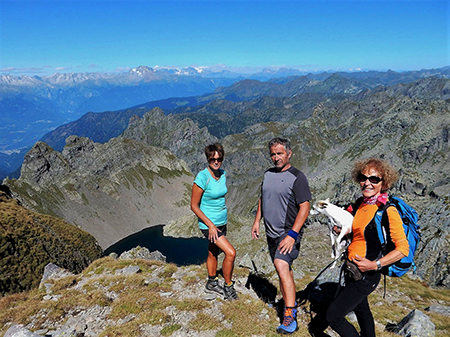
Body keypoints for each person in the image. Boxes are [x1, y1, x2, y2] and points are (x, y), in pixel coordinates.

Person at [316, 158, 409, 337]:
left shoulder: (387, 211)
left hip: (367, 275)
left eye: (374, 179)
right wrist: (342, 232)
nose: (367, 183)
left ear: (384, 183)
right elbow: (360, 234)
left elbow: (402, 249)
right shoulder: (360, 204)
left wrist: (375, 265)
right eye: (363, 177)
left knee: (333, 316)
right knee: (362, 311)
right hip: (353, 270)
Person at [252, 137, 311, 334]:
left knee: (281, 264)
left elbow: (305, 207)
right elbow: (263, 197)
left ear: (289, 153)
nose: (276, 157)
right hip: (271, 232)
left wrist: (292, 235)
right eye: (273, 154)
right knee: (284, 270)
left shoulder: (298, 177)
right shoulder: (268, 174)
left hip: (287, 233)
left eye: (280, 153)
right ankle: (287, 301)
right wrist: (256, 221)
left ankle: (289, 315)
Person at [190, 143, 238, 301]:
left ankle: (211, 281)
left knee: (212, 251)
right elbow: (194, 206)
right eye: (212, 159)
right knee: (230, 253)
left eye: (219, 159)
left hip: (221, 222)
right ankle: (228, 285)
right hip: (209, 225)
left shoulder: (223, 174)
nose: (216, 162)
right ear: (207, 159)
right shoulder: (202, 177)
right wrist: (210, 225)